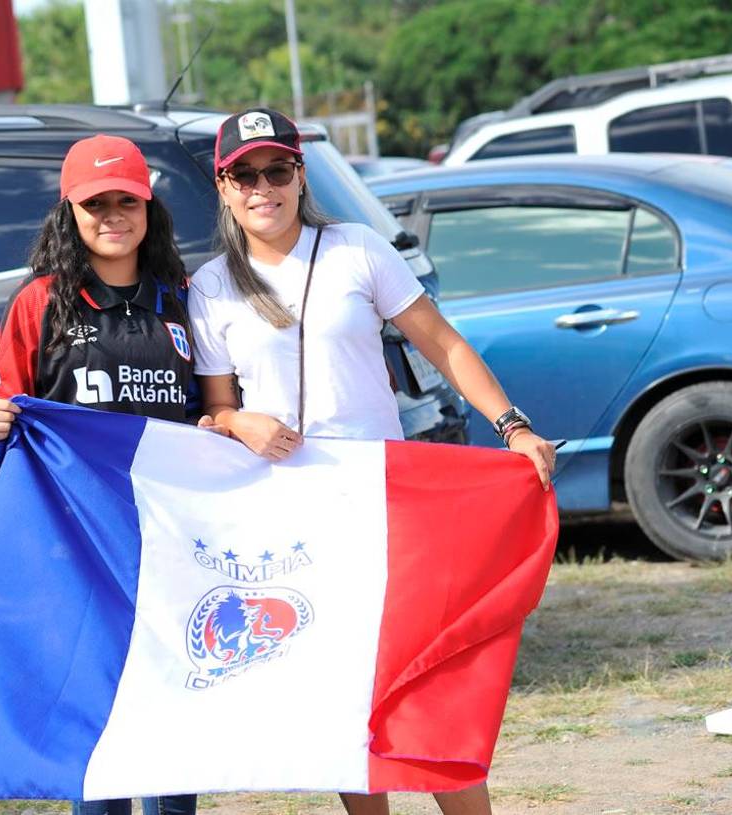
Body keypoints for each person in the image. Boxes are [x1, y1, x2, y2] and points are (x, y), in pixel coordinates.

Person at [189, 108, 557, 815]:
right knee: (341, 690)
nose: (263, 188)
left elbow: (443, 344)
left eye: (276, 170)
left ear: (300, 176)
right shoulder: (210, 286)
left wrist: (511, 425)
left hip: (387, 499)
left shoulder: (356, 248)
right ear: (224, 188)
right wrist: (239, 422)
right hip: (288, 516)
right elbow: (217, 408)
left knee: (425, 677)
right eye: (245, 175)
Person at [0, 134, 199, 815]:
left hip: (167, 532)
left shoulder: (183, 297)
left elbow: (214, 404)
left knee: (172, 692)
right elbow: (0, 401)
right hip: (77, 539)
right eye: (95, 204)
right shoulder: (40, 301)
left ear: (149, 208)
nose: (112, 216)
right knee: (94, 702)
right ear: (69, 212)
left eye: (126, 201)